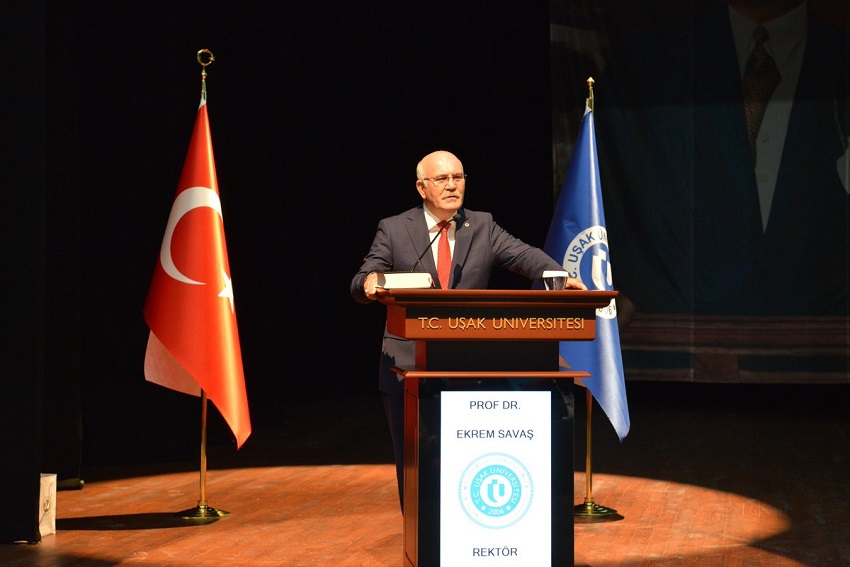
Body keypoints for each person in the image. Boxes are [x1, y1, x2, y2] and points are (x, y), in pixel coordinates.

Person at [350, 150, 585, 509]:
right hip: (407, 364)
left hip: (468, 365)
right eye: (442, 179)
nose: (452, 186)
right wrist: (369, 283)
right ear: (422, 188)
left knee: (463, 462)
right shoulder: (395, 228)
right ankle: (419, 534)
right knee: (415, 467)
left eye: (457, 178)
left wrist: (560, 275)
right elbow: (364, 276)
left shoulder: (482, 225)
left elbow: (524, 256)